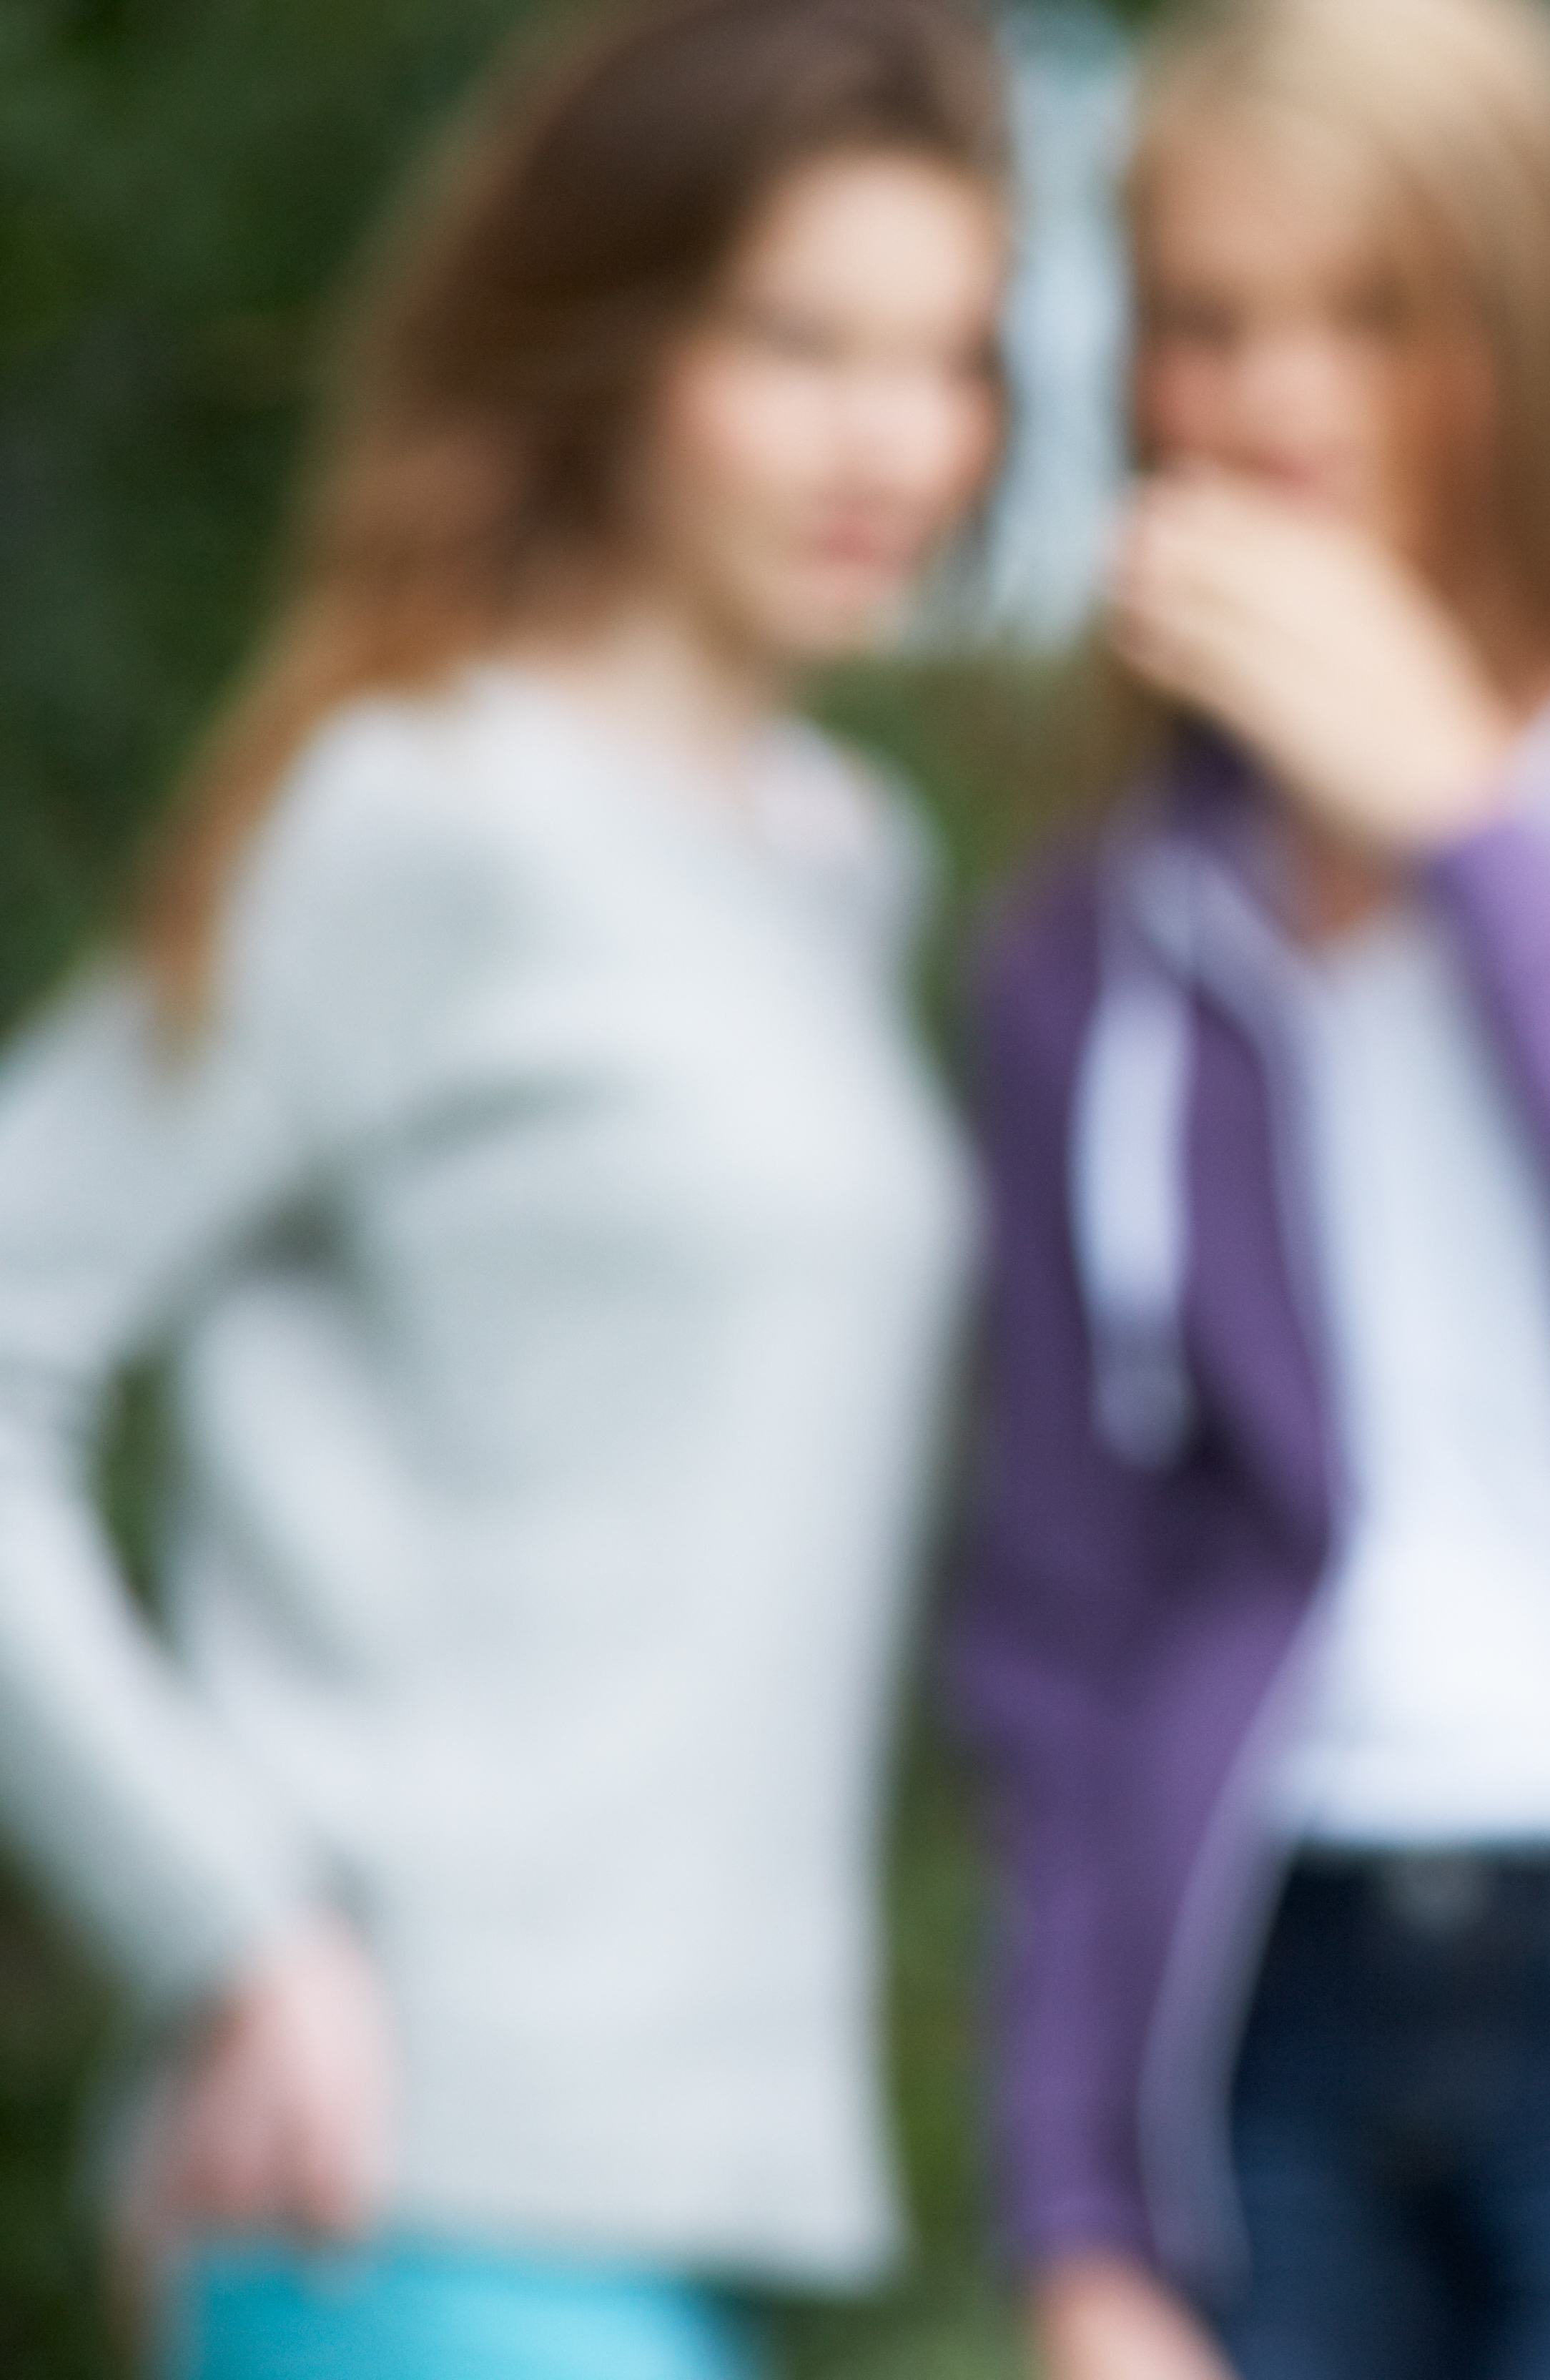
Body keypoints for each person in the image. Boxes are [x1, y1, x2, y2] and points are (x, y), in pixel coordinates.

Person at [0, 1, 1004, 2371]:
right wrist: (229, 1925)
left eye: (951, 356)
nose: (895, 437)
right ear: (617, 333)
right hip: (385, 2169)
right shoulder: (412, 810)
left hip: (694, 2194)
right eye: (801, 341)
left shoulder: (852, 862)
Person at [943, 4, 1550, 2376]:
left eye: (1374, 314)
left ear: (1533, 318)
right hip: (1279, 2012)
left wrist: (1469, 823)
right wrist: (1075, 2215)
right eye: (1208, 320)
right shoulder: (1109, 923)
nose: (1278, 393)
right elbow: (1060, 1608)